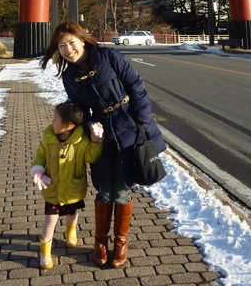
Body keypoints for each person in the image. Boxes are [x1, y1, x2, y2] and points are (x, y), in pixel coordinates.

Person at [41, 20, 166, 268]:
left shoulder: (109, 56)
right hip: (100, 133)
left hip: (128, 125)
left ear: (82, 40)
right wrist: (88, 124)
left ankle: (120, 242)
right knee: (103, 188)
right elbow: (79, 109)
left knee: (121, 188)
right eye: (62, 46)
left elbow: (136, 87)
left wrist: (140, 121)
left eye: (71, 43)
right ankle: (100, 242)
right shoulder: (69, 75)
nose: (68, 50)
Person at [31, 100, 104, 269]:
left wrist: (96, 142)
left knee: (72, 214)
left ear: (68, 124)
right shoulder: (49, 137)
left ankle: (71, 230)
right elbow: (40, 154)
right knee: (50, 220)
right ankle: (45, 252)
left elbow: (91, 157)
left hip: (72, 190)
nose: (52, 121)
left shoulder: (81, 141)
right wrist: (37, 170)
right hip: (53, 190)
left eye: (55, 119)